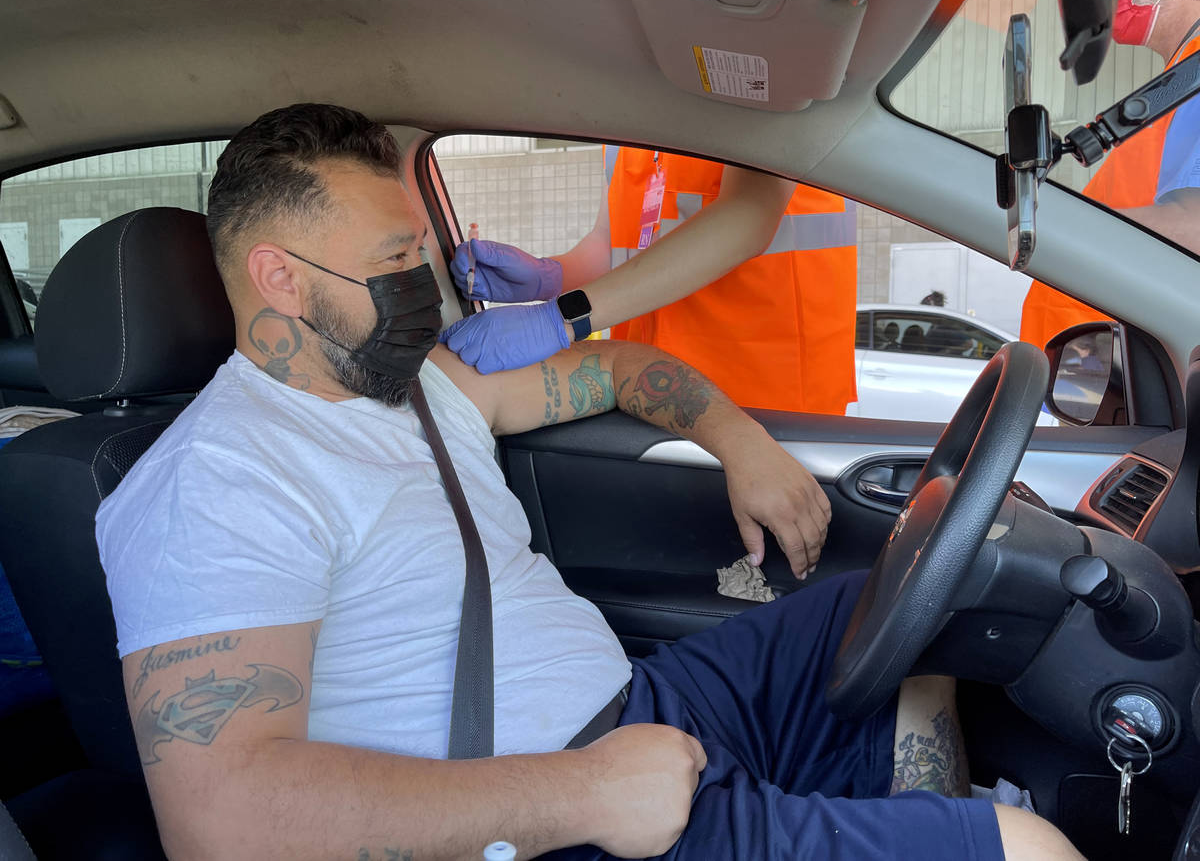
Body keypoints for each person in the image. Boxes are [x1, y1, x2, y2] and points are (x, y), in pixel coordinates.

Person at [96, 104, 1079, 861]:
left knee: (899, 608)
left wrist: (743, 444)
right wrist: (586, 796)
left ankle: (920, 815)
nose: (423, 285)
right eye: (395, 260)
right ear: (279, 278)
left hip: (640, 710)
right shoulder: (216, 485)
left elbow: (614, 373)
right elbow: (222, 823)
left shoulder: (423, 381)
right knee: (1026, 849)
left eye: (420, 253)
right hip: (547, 819)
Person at [440, 147, 858, 415]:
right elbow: (610, 247)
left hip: (764, 407)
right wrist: (548, 277)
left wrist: (563, 319)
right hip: (648, 393)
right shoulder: (635, 129)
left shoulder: (756, 73)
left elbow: (747, 218)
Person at [1020, 0, 1200, 348]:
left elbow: (1195, 231)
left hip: (1118, 373)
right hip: (1106, 370)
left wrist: (1041, 234)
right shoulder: (1183, 76)